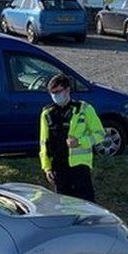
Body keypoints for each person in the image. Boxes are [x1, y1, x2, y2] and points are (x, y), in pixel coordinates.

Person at [39, 74, 105, 202]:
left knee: (86, 205)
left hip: (79, 167)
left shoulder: (84, 109)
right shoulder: (47, 113)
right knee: (63, 206)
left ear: (67, 90)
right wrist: (47, 167)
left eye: (58, 92)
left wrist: (80, 142)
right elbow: (43, 143)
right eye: (52, 93)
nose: (55, 96)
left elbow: (100, 134)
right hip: (59, 167)